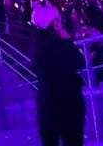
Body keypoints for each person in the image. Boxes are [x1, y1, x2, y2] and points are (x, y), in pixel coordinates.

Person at [31, 13, 86, 146]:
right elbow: (80, 61)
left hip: (47, 102)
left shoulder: (36, 47)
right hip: (69, 100)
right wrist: (67, 40)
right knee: (73, 139)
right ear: (53, 24)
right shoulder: (62, 44)